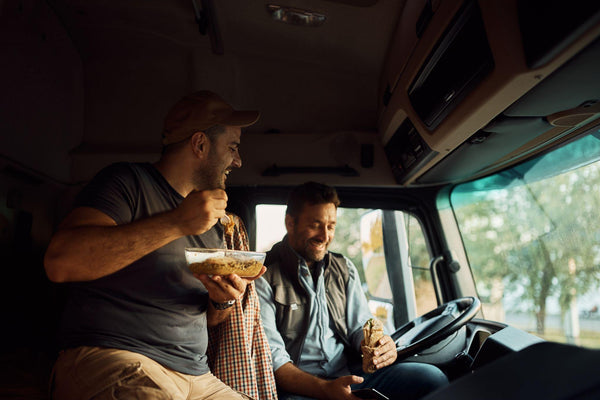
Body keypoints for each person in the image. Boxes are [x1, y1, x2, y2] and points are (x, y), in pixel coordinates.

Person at [44, 90, 276, 399]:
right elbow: (60, 263)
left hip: (196, 375)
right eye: (232, 147)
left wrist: (222, 301)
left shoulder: (214, 221)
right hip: (117, 357)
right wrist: (177, 222)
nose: (238, 160)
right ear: (200, 144)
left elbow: (204, 317)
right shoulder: (126, 182)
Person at [255, 182, 449, 400]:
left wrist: (380, 346)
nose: (324, 235)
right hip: (297, 388)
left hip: (348, 375)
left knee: (431, 378)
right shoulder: (262, 275)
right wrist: (326, 390)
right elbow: (274, 361)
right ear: (290, 223)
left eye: (331, 226)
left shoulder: (344, 267)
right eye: (315, 225)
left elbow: (359, 326)